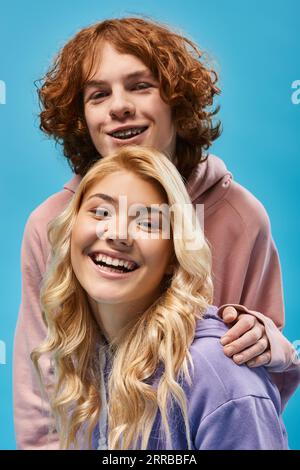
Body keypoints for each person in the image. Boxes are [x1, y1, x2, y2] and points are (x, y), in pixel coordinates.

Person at [14, 17, 299, 449]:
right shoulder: (52, 224)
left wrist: (273, 347)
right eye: (99, 94)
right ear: (82, 117)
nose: (119, 106)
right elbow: (42, 389)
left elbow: (252, 390)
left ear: (175, 102)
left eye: (140, 86)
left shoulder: (240, 216)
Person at [31, 145, 288, 450]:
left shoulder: (217, 372)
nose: (118, 234)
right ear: (71, 231)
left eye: (148, 222)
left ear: (173, 257)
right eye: (101, 211)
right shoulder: (90, 359)